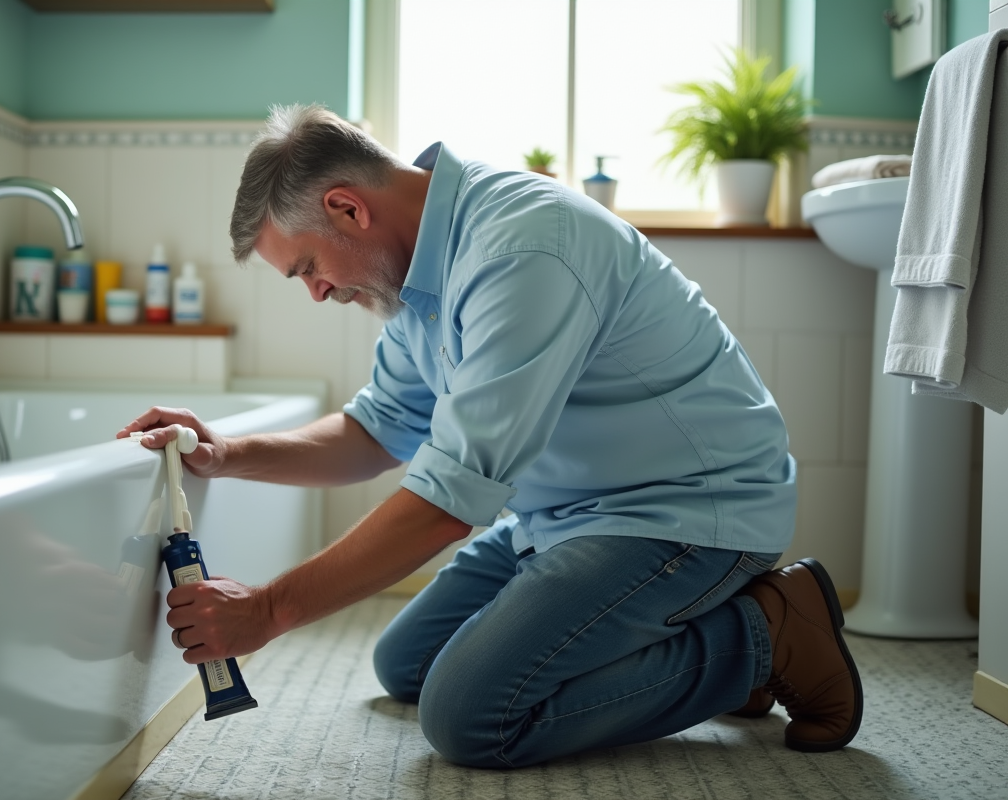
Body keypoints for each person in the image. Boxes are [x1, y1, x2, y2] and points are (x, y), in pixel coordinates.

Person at [117, 104, 863, 768]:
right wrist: (227, 453)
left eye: (308, 268)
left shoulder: (521, 249)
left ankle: (769, 630)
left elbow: (448, 501)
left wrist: (270, 609)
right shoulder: (413, 282)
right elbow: (375, 433)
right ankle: (694, 633)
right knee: (407, 662)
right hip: (566, 518)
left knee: (471, 717)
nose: (317, 292)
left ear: (347, 208)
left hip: (686, 514)